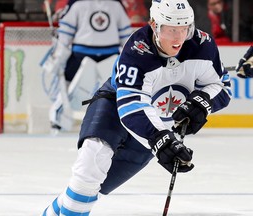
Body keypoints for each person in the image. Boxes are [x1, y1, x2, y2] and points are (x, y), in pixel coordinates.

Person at [41, 0, 231, 215]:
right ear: (154, 25)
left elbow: (222, 86)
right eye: (171, 29)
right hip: (114, 109)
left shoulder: (203, 46)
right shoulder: (137, 49)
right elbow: (131, 106)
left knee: (94, 192)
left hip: (157, 125)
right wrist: (160, 139)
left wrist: (203, 102)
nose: (179, 38)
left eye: (184, 28)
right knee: (87, 176)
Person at [41, 0, 132, 132]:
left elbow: (65, 34)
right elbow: (126, 36)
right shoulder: (116, 4)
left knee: (69, 86)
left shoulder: (77, 3)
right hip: (105, 55)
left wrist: (59, 56)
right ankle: (59, 120)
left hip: (84, 55)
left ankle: (58, 120)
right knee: (115, 89)